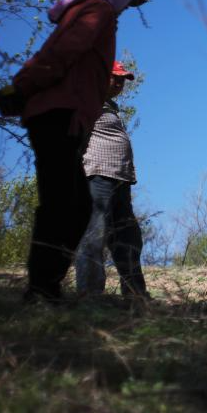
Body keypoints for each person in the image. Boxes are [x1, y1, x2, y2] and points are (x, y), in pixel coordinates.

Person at [0, 0, 148, 303]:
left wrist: (23, 90)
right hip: (59, 114)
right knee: (64, 207)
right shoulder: (97, 9)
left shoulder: (93, 9)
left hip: (61, 114)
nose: (126, 5)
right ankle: (42, 291)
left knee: (71, 207)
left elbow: (61, 54)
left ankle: (44, 289)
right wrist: (22, 88)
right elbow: (62, 51)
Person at [74, 60, 150, 299]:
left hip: (120, 180)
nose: (119, 83)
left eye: (122, 79)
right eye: (114, 77)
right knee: (94, 234)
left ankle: (135, 295)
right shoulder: (87, 101)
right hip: (97, 177)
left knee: (129, 237)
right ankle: (89, 294)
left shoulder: (109, 107)